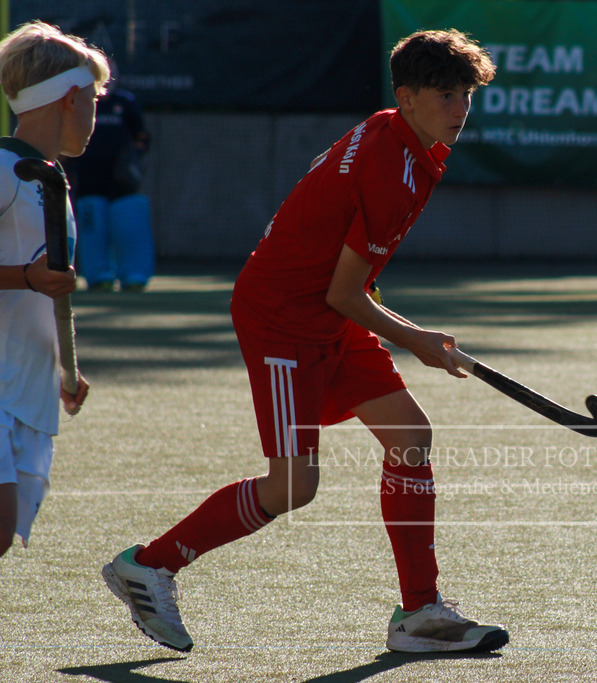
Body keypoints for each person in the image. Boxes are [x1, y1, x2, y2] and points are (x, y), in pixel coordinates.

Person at [102, 29, 506, 654]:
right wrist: (416, 339)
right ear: (406, 97)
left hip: (328, 314)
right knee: (293, 484)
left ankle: (419, 613)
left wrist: (404, 329)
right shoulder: (392, 168)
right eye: (446, 96)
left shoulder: (399, 137)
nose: (461, 110)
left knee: (409, 437)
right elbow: (343, 293)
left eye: (466, 96)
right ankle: (150, 566)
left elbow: (344, 279)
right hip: (283, 319)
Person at [0, 21, 100, 555]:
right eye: (94, 102)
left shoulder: (48, 178)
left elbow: (49, 290)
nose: (94, 117)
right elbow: (33, 278)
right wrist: (25, 277)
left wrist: (65, 367)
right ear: (69, 98)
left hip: (25, 384)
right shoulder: (4, 168)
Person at [64, 58, 154, 292]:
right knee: (93, 226)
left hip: (122, 179)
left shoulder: (125, 102)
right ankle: (99, 275)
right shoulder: (78, 101)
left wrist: (131, 160)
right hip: (89, 177)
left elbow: (142, 137)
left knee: (129, 224)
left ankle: (134, 275)